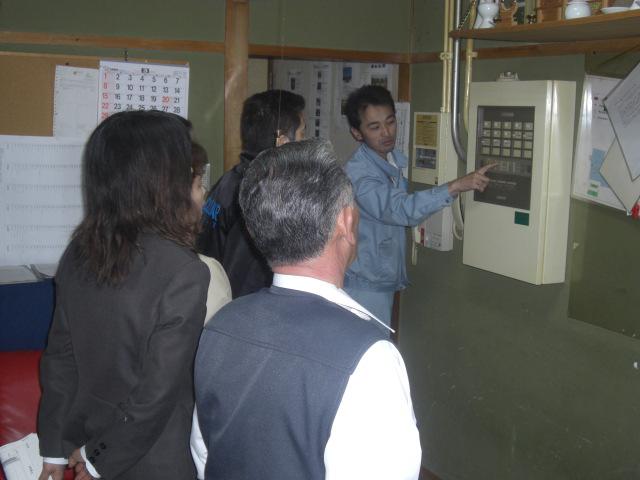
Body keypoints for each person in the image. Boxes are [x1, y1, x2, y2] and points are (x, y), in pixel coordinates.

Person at [193, 139, 422, 480]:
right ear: (346, 222)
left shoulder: (219, 325)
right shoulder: (370, 357)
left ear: (254, 231)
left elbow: (204, 456)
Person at [37, 111, 210, 480]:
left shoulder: (78, 254)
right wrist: (96, 459)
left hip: (89, 444)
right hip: (155, 461)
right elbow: (156, 393)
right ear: (163, 179)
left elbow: (60, 360)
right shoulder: (183, 270)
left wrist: (54, 447)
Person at [343, 85, 494, 327]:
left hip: (379, 281)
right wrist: (456, 186)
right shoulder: (359, 175)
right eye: (374, 127)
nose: (386, 132)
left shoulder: (392, 160)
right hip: (363, 288)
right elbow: (400, 209)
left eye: (390, 122)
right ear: (357, 133)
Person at [196, 89, 306, 298]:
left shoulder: (230, 178)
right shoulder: (261, 193)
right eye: (302, 134)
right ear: (282, 141)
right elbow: (245, 276)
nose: (305, 142)